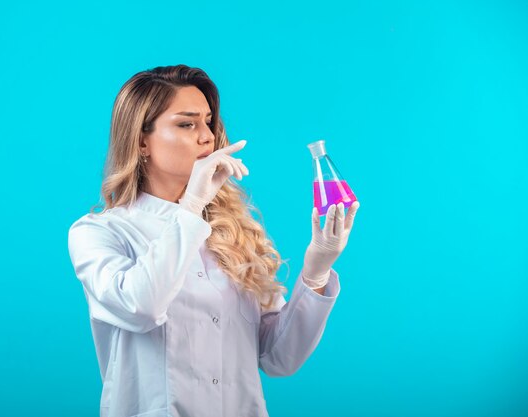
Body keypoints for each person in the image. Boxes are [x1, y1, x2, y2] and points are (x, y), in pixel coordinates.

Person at [67, 64, 360, 417]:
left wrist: (316, 271)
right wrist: (191, 206)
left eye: (208, 121)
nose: (207, 136)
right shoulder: (99, 233)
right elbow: (141, 305)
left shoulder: (233, 231)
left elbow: (279, 359)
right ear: (141, 141)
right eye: (186, 123)